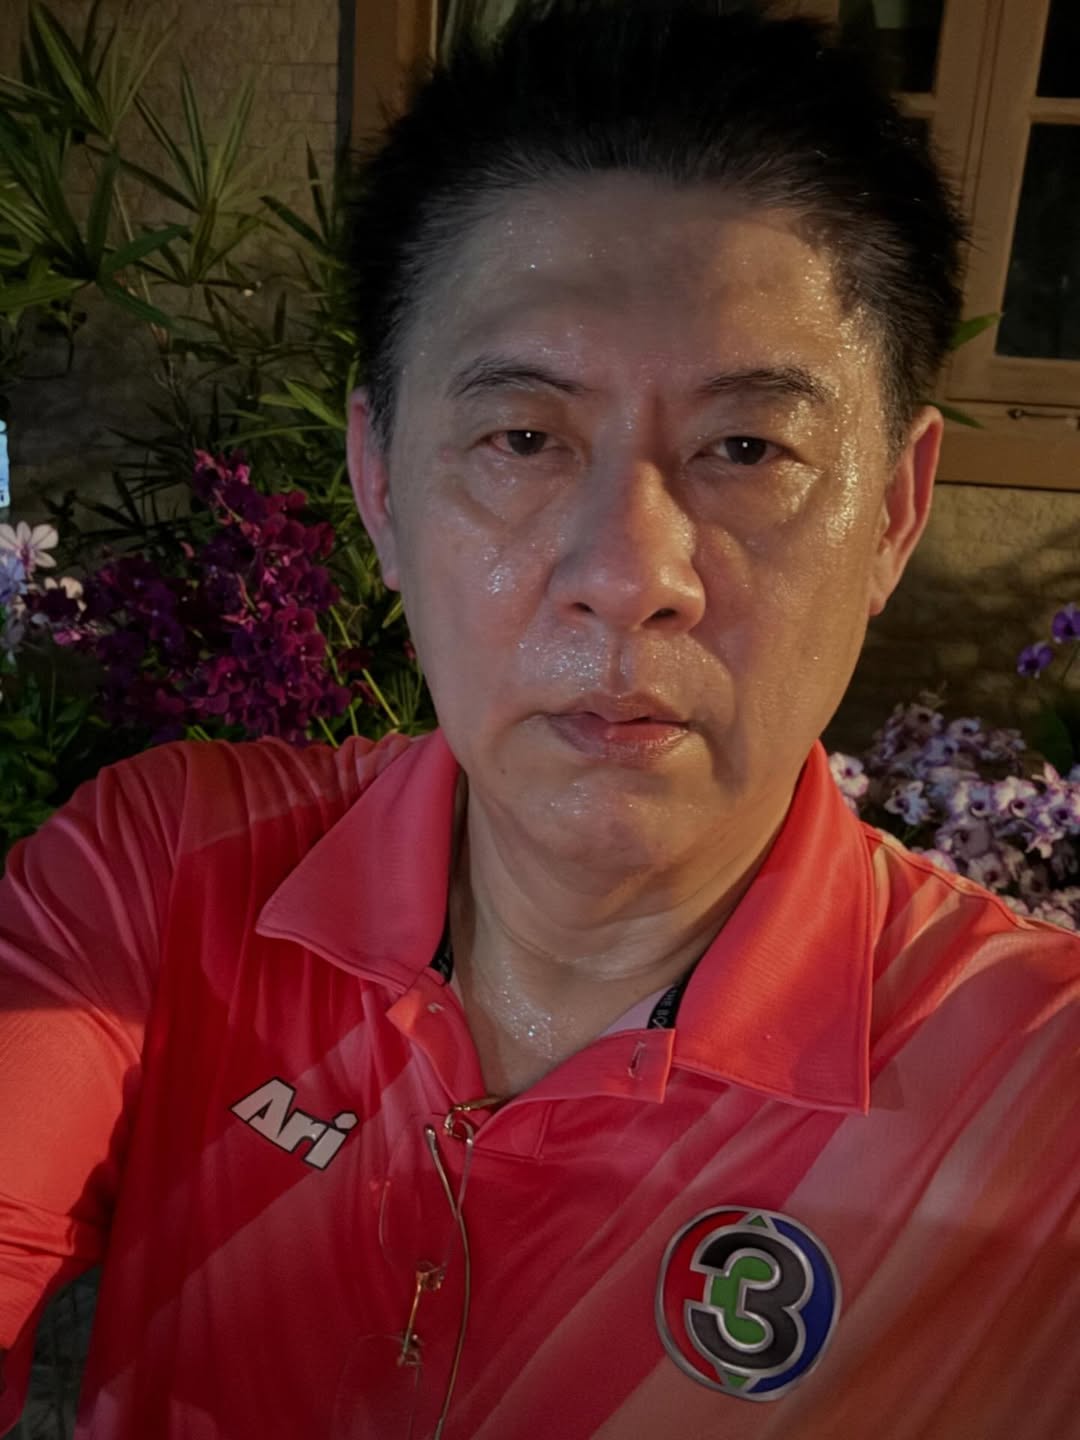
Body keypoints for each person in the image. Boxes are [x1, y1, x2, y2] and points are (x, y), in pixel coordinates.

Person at [2, 2, 1078, 1436]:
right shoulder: (167, 882)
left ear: (892, 511)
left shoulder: (1035, 1092)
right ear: (379, 483)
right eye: (522, 438)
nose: (630, 575)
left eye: (747, 446)